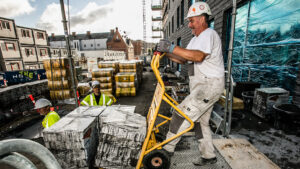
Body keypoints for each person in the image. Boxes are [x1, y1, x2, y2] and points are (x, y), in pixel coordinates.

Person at [157, 2, 225, 166]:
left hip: (208, 86)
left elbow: (198, 57)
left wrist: (172, 46)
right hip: (202, 87)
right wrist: (166, 52)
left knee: (180, 114)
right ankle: (209, 156)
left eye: (192, 21)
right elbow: (182, 58)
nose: (189, 25)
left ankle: (166, 150)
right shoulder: (195, 39)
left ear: (202, 19)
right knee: (201, 124)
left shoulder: (209, 34)